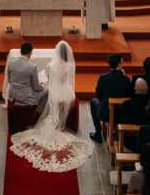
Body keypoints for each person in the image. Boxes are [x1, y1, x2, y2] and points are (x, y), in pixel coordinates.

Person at [10, 41, 93, 173]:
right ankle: (56, 123)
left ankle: (38, 115)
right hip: (67, 94)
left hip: (55, 94)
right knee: (51, 95)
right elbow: (70, 81)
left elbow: (49, 80)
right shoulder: (71, 66)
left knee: (45, 95)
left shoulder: (50, 65)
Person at [89, 53, 132, 143]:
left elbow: (99, 95)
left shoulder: (103, 77)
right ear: (119, 64)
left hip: (106, 113)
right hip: (121, 114)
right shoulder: (126, 79)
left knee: (93, 101)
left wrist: (105, 103)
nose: (123, 62)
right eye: (122, 61)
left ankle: (98, 133)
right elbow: (129, 97)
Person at [7, 42, 48, 112]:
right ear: (30, 52)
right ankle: (37, 114)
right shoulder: (32, 67)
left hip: (12, 96)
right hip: (25, 98)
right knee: (47, 91)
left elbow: (9, 80)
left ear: (20, 51)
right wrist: (42, 85)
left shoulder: (11, 63)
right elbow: (37, 88)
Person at [119, 78, 150, 151]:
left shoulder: (126, 104)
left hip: (129, 142)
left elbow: (121, 122)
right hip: (148, 140)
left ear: (135, 90)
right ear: (147, 89)